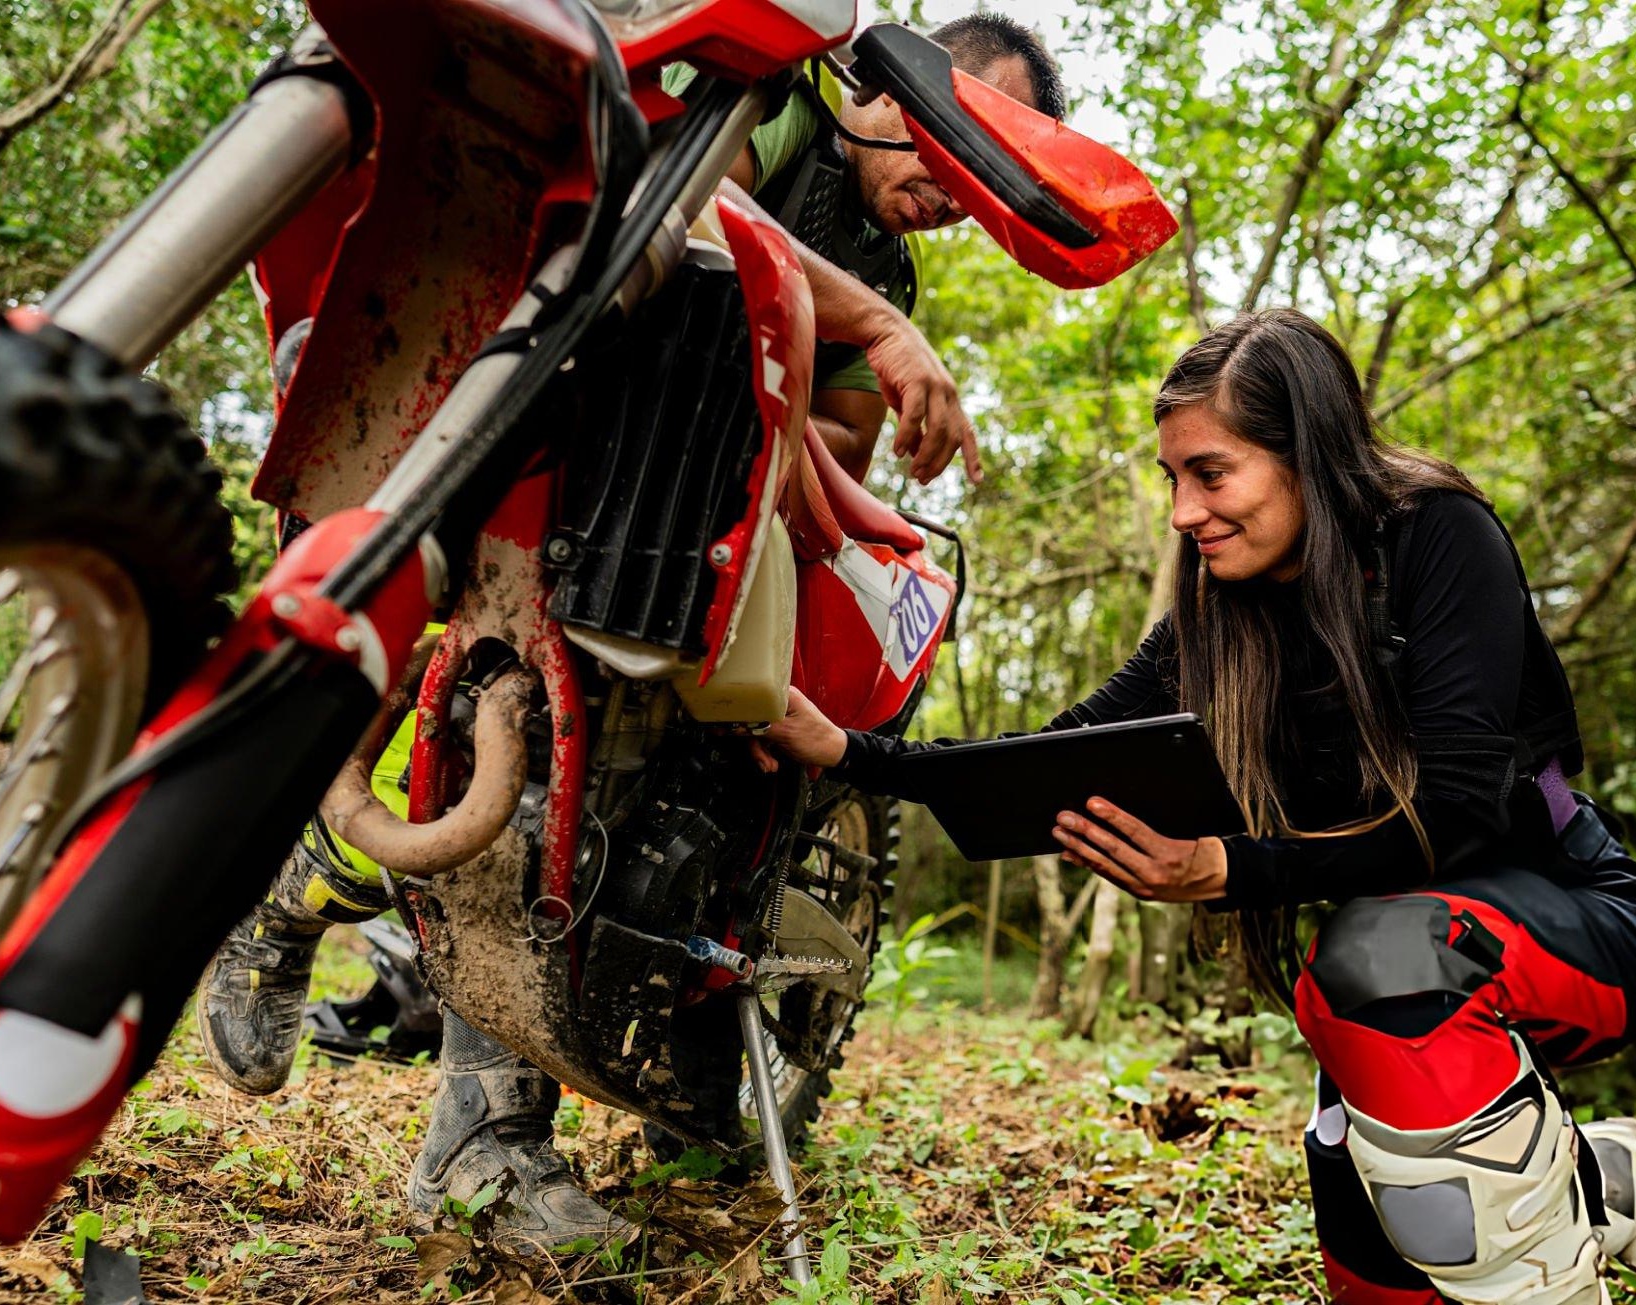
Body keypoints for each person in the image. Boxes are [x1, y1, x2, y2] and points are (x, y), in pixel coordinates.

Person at [196, 15, 1071, 1250]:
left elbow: (831, 455)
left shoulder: (891, 266)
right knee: (407, 703)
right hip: (515, 435)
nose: (955, 190)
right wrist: (866, 325)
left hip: (657, 536)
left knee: (578, 798)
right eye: (958, 140)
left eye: (986, 182)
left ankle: (484, 1134)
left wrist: (847, 417)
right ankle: (286, 894)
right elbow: (676, 207)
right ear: (901, 90)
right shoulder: (772, 106)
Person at [756, 310, 1636, 1305]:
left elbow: (1457, 812)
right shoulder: (1212, 617)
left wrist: (1230, 867)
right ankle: (1606, 1185)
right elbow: (1052, 761)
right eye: (1172, 479)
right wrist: (851, 752)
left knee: (1373, 967)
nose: (1182, 513)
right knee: (1391, 1221)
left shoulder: (1434, 535)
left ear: (1306, 457)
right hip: (1395, 975)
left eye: (1210, 474)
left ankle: (1566, 1229)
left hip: (1577, 923)